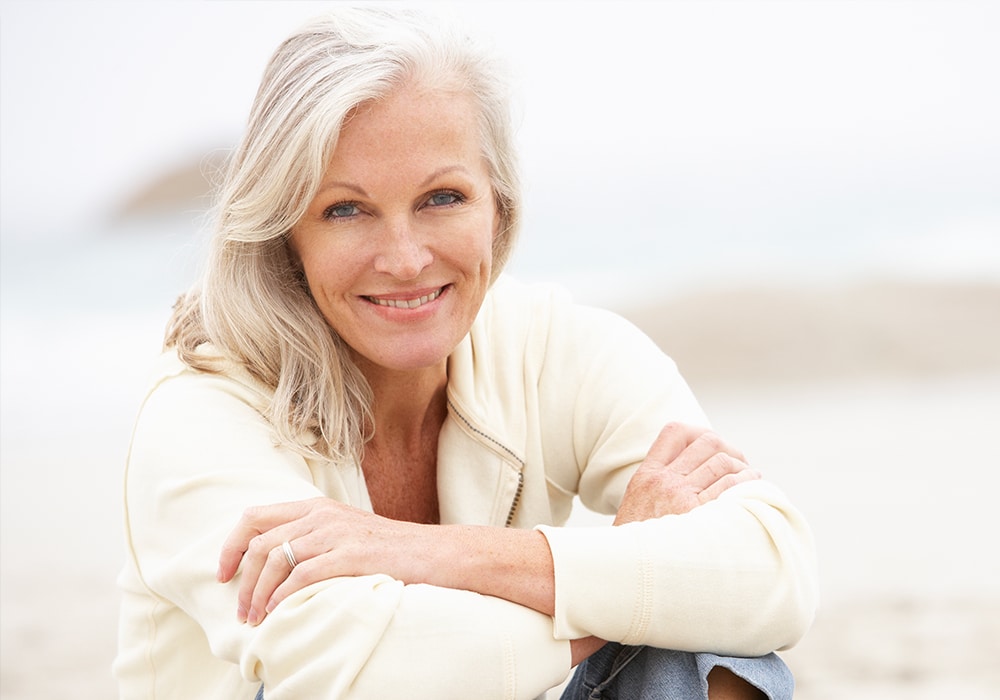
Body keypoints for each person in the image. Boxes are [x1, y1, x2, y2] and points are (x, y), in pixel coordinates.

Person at [114, 6, 818, 699]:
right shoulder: (199, 410)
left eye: (442, 197)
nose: (405, 257)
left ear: (498, 209)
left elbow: (774, 569)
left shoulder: (551, 348)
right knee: (670, 601)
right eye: (345, 209)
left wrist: (418, 551)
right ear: (285, 236)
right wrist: (626, 580)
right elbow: (364, 669)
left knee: (713, 658)